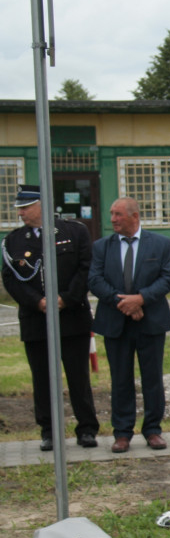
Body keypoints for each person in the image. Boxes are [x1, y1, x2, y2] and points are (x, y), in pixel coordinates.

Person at [2, 185, 99, 451]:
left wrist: (65, 299)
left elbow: (85, 268)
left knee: (78, 377)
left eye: (25, 207)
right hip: (37, 320)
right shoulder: (14, 240)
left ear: (41, 205)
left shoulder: (73, 232)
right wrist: (38, 302)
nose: (20, 213)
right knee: (42, 378)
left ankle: (87, 428)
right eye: (19, 209)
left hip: (72, 317)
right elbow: (11, 278)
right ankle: (49, 431)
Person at [88, 197, 170, 453]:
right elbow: (95, 280)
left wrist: (141, 299)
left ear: (134, 217)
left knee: (152, 378)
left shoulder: (160, 244)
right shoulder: (101, 247)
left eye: (118, 214)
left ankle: (153, 430)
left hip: (151, 322)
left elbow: (166, 279)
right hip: (116, 322)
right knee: (121, 379)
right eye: (111, 214)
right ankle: (122, 432)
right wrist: (123, 303)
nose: (112, 219)